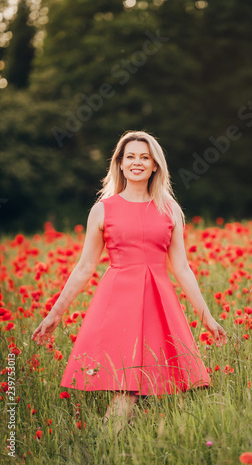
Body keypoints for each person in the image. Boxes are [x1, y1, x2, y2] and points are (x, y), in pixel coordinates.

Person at [31, 130, 227, 436]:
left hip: (158, 306)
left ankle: (124, 446)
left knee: (150, 389)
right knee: (128, 387)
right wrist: (54, 315)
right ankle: (104, 447)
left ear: (155, 166)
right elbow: (84, 268)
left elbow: (182, 269)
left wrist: (207, 317)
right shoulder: (102, 209)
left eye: (145, 157)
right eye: (130, 156)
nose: (137, 162)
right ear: (120, 164)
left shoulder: (170, 209)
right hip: (119, 303)